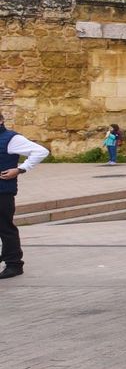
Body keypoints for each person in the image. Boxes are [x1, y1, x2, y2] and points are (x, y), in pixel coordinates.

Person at [0, 110, 49, 280]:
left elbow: (41, 151)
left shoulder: (11, 139)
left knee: (5, 228)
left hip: (2, 191)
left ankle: (14, 264)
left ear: (1, 121)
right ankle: (6, 254)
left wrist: (20, 169)